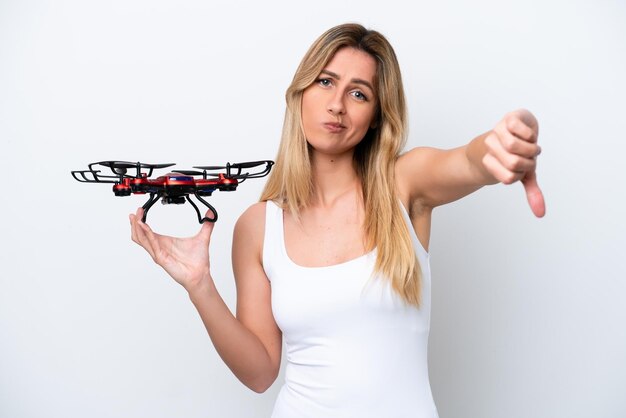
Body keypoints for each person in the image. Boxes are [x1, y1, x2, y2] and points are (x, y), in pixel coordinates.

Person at [129, 23, 544, 418]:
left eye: (359, 94)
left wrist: (505, 142)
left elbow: (468, 161)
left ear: (378, 115)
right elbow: (259, 373)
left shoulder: (405, 184)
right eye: (325, 82)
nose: (337, 105)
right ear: (301, 92)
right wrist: (200, 286)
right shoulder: (258, 226)